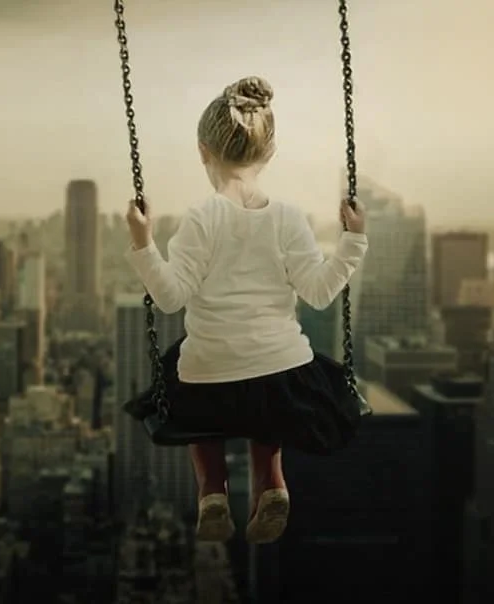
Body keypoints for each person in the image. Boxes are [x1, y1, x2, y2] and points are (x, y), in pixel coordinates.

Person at [124, 76, 368, 544]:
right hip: (282, 375)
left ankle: (211, 492)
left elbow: (171, 297)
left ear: (203, 150)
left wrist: (142, 243)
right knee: (268, 392)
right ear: (270, 153)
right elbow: (319, 292)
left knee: (186, 375)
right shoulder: (290, 218)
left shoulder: (202, 217)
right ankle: (272, 482)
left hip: (208, 376)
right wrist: (353, 240)